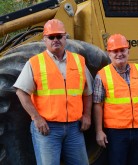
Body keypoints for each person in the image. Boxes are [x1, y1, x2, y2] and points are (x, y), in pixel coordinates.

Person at [14, 19, 93, 165]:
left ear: (65, 37)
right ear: (45, 39)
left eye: (59, 36)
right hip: (47, 129)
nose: (55, 40)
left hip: (74, 129)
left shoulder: (79, 61)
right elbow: (21, 92)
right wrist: (36, 118)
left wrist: (87, 115)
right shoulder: (35, 62)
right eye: (51, 37)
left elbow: (88, 91)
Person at [93, 34, 138, 165]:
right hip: (116, 133)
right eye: (115, 51)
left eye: (122, 50)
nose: (119, 54)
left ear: (128, 51)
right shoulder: (102, 75)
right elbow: (98, 105)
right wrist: (99, 131)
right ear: (109, 53)